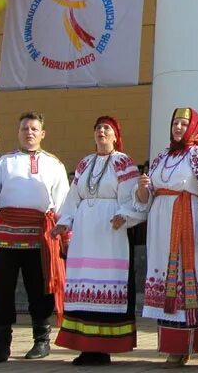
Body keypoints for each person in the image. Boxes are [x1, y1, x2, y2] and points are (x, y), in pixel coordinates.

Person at [0, 112, 69, 363]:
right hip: (6, 232)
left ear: (42, 134)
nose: (29, 132)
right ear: (18, 133)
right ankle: (2, 344)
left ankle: (42, 340)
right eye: (24, 129)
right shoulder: (3, 162)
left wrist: (64, 229)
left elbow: (62, 201)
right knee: (3, 290)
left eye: (34, 129)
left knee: (39, 287)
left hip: (40, 235)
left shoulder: (54, 164)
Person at [52, 116, 146, 366]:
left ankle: (103, 347)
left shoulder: (123, 163)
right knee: (83, 286)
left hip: (109, 232)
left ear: (116, 135)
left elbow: (133, 199)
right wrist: (65, 222)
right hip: (84, 234)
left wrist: (124, 215)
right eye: (98, 128)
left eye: (107, 128)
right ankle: (85, 346)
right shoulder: (84, 163)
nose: (102, 132)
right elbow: (74, 198)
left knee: (105, 284)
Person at [139, 107, 198, 367]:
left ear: (193, 127)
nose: (178, 127)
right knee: (164, 276)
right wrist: (142, 189)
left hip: (188, 218)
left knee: (182, 277)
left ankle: (183, 346)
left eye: (183, 123)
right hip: (160, 223)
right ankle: (170, 344)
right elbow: (147, 197)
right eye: (175, 122)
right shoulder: (161, 157)